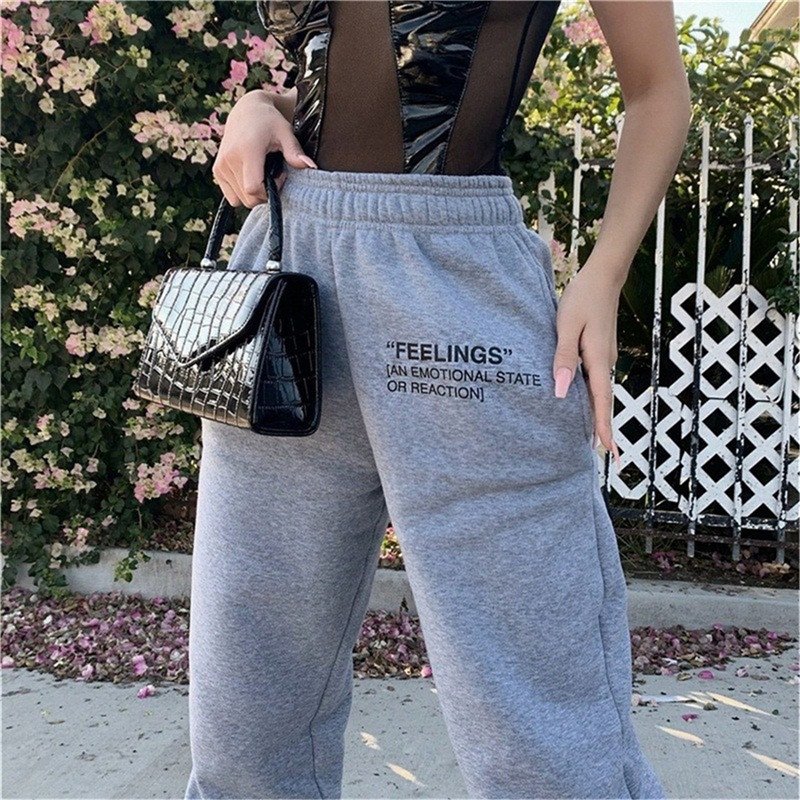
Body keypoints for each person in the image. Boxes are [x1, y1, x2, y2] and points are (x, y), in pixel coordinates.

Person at [184, 1, 691, 798]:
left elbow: (658, 88)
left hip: (456, 283)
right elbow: (345, 66)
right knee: (248, 704)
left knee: (539, 717)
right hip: (286, 273)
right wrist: (261, 102)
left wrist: (604, 271)